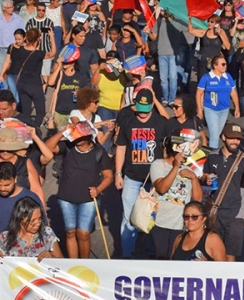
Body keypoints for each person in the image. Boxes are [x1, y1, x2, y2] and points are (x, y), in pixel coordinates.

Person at [114, 89, 169, 259]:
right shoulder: (128, 121)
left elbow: (168, 148)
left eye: (146, 109)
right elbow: (121, 148)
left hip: (155, 180)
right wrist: (118, 174)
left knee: (154, 218)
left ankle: (153, 254)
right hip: (131, 177)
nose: (143, 114)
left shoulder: (161, 122)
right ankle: (127, 255)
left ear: (152, 105)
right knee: (129, 216)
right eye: (140, 109)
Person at [44, 125, 113, 259]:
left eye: (81, 135)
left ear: (89, 136)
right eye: (76, 135)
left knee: (83, 234)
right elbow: (47, 147)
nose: (78, 138)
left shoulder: (99, 152)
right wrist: (62, 132)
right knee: (70, 233)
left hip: (88, 199)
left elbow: (108, 176)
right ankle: (73, 264)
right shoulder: (67, 147)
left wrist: (98, 189)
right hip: (66, 198)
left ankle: (85, 264)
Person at [202, 123, 244, 261]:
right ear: (223, 137)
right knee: (213, 252)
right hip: (215, 211)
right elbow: (203, 176)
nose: (235, 142)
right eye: (232, 138)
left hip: (236, 212)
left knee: (231, 254)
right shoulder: (212, 156)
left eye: (238, 139)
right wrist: (205, 178)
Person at [149, 136, 204, 259]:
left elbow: (197, 200)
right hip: (159, 223)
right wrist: (175, 167)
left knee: (175, 260)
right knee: (160, 259)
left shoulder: (188, 170)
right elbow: (162, 188)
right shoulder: (158, 165)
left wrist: (194, 178)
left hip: (180, 225)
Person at [0, 161, 44, 249]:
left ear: (15, 179)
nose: (2, 189)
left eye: (7, 185)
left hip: (25, 254)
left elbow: (42, 227)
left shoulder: (31, 198)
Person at [0, 196, 63, 261]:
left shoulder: (47, 233)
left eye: (40, 218)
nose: (38, 223)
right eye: (32, 221)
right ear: (20, 219)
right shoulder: (5, 238)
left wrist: (51, 257)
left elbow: (62, 262)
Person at [196, 54, 240, 150]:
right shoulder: (206, 77)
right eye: (223, 64)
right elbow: (199, 93)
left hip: (224, 109)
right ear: (215, 66)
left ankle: (209, 149)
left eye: (225, 64)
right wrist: (200, 110)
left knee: (217, 133)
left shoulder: (228, 77)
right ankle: (212, 156)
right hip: (211, 109)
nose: (225, 66)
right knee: (215, 136)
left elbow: (233, 93)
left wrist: (237, 107)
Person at [0, 0, 27, 80]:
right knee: (2, 71)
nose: (12, 9)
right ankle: (4, 90)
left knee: (15, 71)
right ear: (3, 8)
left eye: (12, 7)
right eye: (9, 7)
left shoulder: (18, 19)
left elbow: (23, 34)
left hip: (15, 49)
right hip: (2, 50)